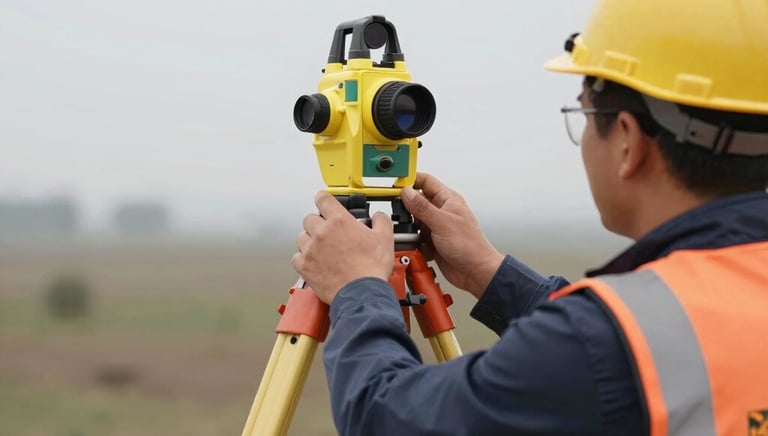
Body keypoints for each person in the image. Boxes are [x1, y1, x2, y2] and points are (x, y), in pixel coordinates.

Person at [290, 0, 768, 434]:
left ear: (627, 140)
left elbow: (390, 418)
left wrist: (356, 290)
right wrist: (491, 274)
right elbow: (642, 350)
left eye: (581, 114)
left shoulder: (602, 341)